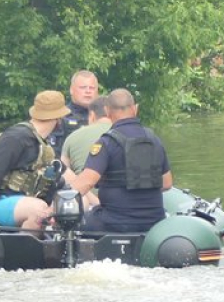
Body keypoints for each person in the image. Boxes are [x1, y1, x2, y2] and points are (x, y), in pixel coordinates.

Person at [70, 88, 172, 233]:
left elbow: (87, 182)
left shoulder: (106, 142)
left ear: (107, 110)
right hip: (154, 221)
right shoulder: (154, 140)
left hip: (114, 222)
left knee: (73, 224)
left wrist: (56, 203)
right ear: (135, 109)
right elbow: (167, 183)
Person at [0, 90, 70, 229]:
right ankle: (22, 247)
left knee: (76, 202)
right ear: (58, 119)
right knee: (40, 210)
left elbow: (71, 178)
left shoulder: (43, 147)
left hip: (22, 203)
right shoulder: (16, 137)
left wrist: (94, 202)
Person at [50, 70, 99, 156]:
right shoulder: (61, 117)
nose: (88, 91)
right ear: (71, 90)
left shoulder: (105, 116)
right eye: (83, 87)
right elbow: (54, 152)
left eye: (92, 88)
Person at [61, 95, 110, 174]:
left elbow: (63, 172)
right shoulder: (124, 133)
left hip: (80, 185)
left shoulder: (72, 137)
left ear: (92, 115)